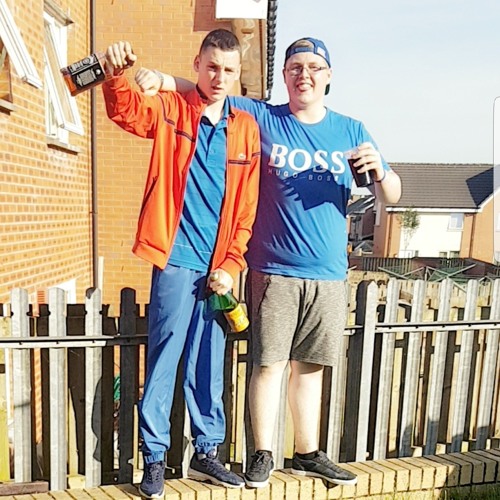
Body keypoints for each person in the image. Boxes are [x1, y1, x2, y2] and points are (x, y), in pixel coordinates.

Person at [139, 36, 402, 489]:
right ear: (284, 75)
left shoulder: (351, 130)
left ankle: (307, 453)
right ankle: (262, 454)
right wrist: (161, 79)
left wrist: (381, 171)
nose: (305, 75)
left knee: (310, 367)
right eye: (296, 67)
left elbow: (391, 195)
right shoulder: (262, 117)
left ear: (329, 76)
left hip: (328, 273)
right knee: (269, 365)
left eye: (314, 67)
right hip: (273, 269)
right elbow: (210, 86)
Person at [101, 29, 261, 497]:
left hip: (218, 271)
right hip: (174, 257)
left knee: (209, 361)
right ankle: (154, 457)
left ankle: (206, 453)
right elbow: (128, 111)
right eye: (211, 67)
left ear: (237, 73)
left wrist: (231, 263)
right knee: (165, 357)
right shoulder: (173, 109)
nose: (219, 77)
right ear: (197, 65)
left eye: (228, 70)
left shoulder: (245, 129)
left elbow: (246, 210)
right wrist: (116, 75)